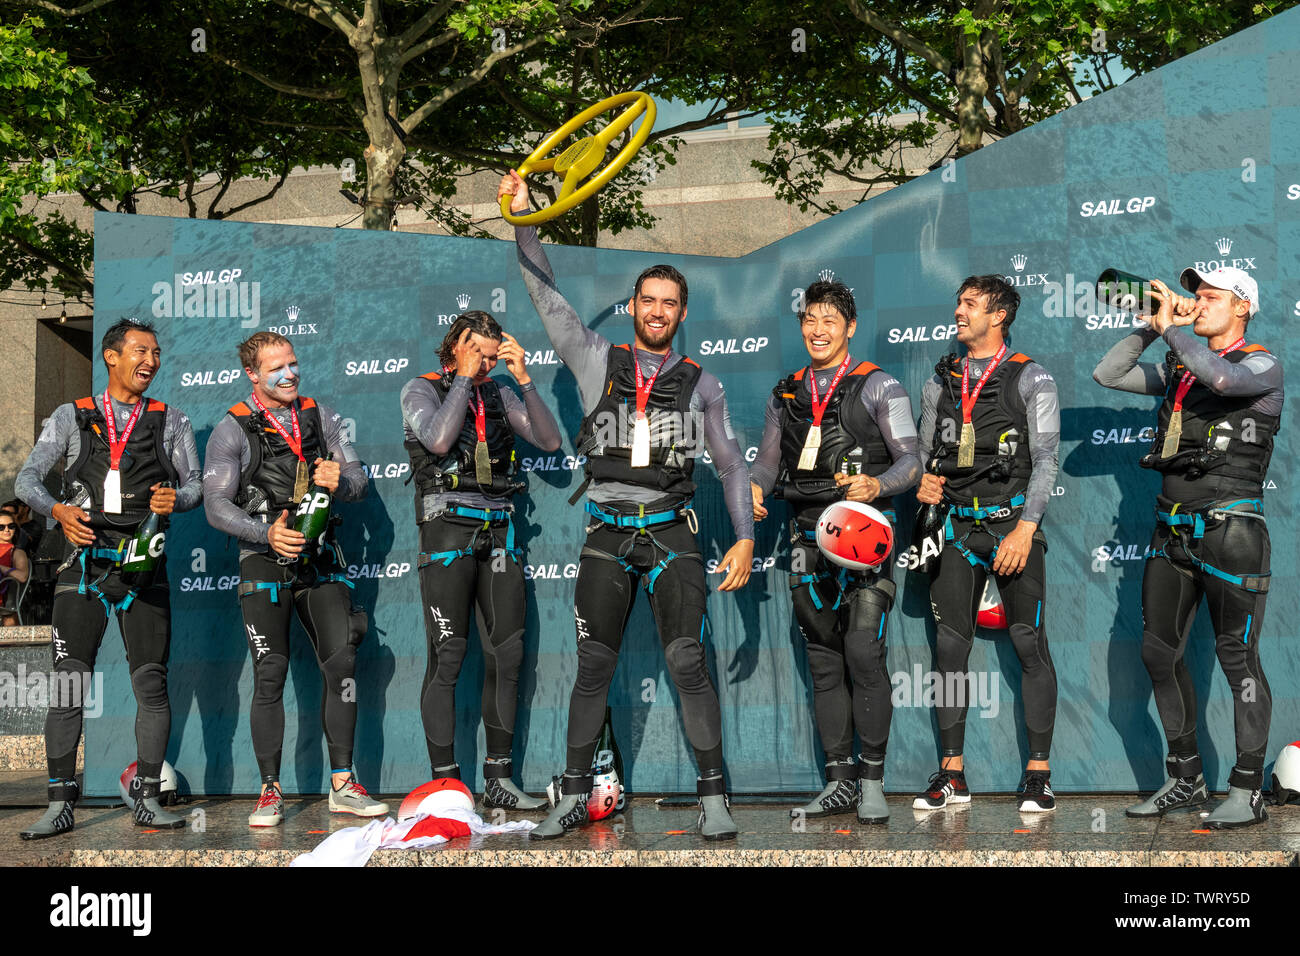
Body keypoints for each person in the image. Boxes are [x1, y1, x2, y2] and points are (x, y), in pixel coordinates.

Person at [500, 170, 755, 841]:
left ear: (682, 312)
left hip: (673, 533)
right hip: (607, 534)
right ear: (636, 305)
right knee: (593, 668)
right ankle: (577, 794)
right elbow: (543, 293)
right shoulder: (592, 358)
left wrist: (746, 538)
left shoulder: (703, 383)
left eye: (670, 302)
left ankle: (713, 796)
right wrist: (525, 217)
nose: (658, 310)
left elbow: (730, 465)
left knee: (687, 663)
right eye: (649, 300)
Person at [1093, 267, 1282, 829]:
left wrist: (1176, 327)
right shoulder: (1181, 366)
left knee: (1237, 659)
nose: (1198, 304)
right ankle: (1185, 778)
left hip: (1233, 533)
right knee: (1157, 653)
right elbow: (1109, 373)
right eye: (1194, 296)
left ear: (1242, 307)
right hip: (1170, 532)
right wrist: (1155, 327)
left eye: (1210, 297)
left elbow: (1222, 381)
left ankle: (1247, 788)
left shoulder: (1262, 363)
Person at [15, 318, 202, 838]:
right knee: (69, 686)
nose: (152, 361)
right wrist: (58, 510)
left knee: (151, 685)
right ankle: (59, 803)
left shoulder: (172, 421)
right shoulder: (71, 417)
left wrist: (176, 499)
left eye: (158, 352)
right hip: (84, 568)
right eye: (141, 351)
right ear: (112, 357)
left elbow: (196, 488)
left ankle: (146, 798)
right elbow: (26, 479)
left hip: (144, 568)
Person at [749, 279, 920, 825]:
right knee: (824, 663)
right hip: (804, 541)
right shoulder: (785, 393)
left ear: (849, 327)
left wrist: (877, 486)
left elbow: (910, 461)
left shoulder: (880, 386)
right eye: (809, 320)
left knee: (864, 655)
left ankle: (872, 781)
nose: (817, 330)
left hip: (865, 540)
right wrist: (751, 488)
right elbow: (767, 465)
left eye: (829, 320)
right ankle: (839, 780)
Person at [203, 331, 387, 827]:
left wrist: (340, 481)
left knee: (342, 665)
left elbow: (359, 480)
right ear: (253, 375)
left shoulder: (319, 414)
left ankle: (343, 784)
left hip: (320, 558)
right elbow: (216, 505)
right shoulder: (231, 428)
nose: (289, 374)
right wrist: (266, 534)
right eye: (276, 368)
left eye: (294, 363)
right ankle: (270, 790)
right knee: (269, 673)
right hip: (264, 559)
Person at [401, 311, 562, 809]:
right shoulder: (419, 388)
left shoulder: (499, 390)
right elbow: (439, 441)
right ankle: (445, 785)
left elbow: (549, 440)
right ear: (456, 347)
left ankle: (499, 778)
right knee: (448, 656)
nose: (487, 364)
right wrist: (464, 378)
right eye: (480, 354)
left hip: (499, 533)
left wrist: (525, 380)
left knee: (507, 656)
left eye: (494, 357)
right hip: (447, 527)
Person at [913, 275, 1060, 812]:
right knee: (949, 648)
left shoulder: (1031, 378)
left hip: (1012, 527)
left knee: (1028, 642)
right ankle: (952, 775)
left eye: (970, 304)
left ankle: (1038, 775)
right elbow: (925, 458)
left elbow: (1045, 459)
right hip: (957, 530)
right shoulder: (939, 381)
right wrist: (925, 482)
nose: (959, 311)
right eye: (958, 302)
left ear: (998, 316)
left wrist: (1025, 527)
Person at [0, 513, 30, 625]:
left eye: (11, 526)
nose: (6, 530)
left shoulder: (17, 552)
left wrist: (1, 568)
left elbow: (23, 576)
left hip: (7, 599)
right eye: (1, 527)